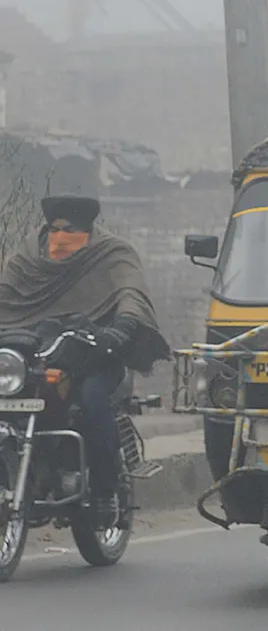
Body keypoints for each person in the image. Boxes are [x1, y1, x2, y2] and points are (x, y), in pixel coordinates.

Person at [0, 194, 170, 525]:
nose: (61, 236)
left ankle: (105, 491)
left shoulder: (111, 254)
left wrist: (121, 328)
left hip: (95, 352)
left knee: (93, 399)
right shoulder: (26, 256)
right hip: (38, 353)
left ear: (88, 231)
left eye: (71, 230)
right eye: (55, 228)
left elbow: (131, 293)